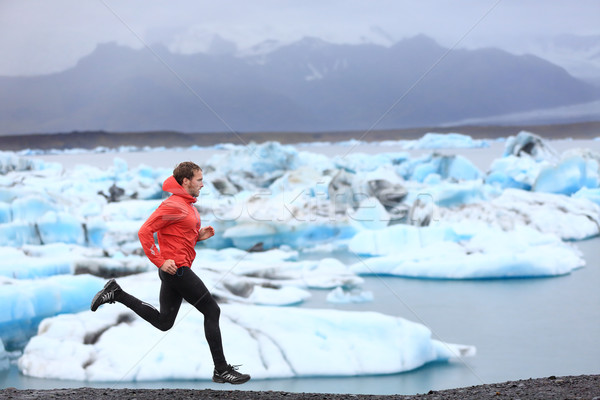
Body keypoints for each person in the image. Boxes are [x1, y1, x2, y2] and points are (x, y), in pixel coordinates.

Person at [90, 161, 250, 385]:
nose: (203, 184)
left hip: (175, 269)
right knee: (212, 311)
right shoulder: (173, 205)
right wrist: (159, 261)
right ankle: (221, 370)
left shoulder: (186, 205)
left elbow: (175, 233)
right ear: (186, 181)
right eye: (199, 180)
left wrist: (197, 236)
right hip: (176, 270)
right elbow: (145, 231)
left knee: (164, 322)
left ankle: (116, 293)